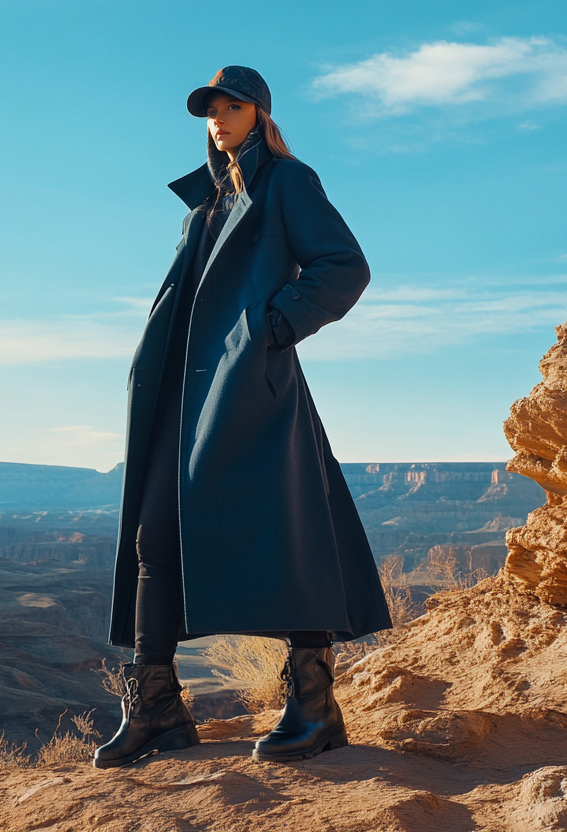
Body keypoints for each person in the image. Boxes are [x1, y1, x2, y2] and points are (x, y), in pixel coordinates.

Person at [93, 66, 392, 769]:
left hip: (252, 391)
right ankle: (158, 708)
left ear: (260, 113)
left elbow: (344, 266)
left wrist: (271, 329)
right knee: (153, 540)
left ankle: (314, 708)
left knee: (285, 533)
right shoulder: (206, 203)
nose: (219, 118)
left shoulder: (287, 182)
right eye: (211, 110)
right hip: (182, 395)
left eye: (234, 106)